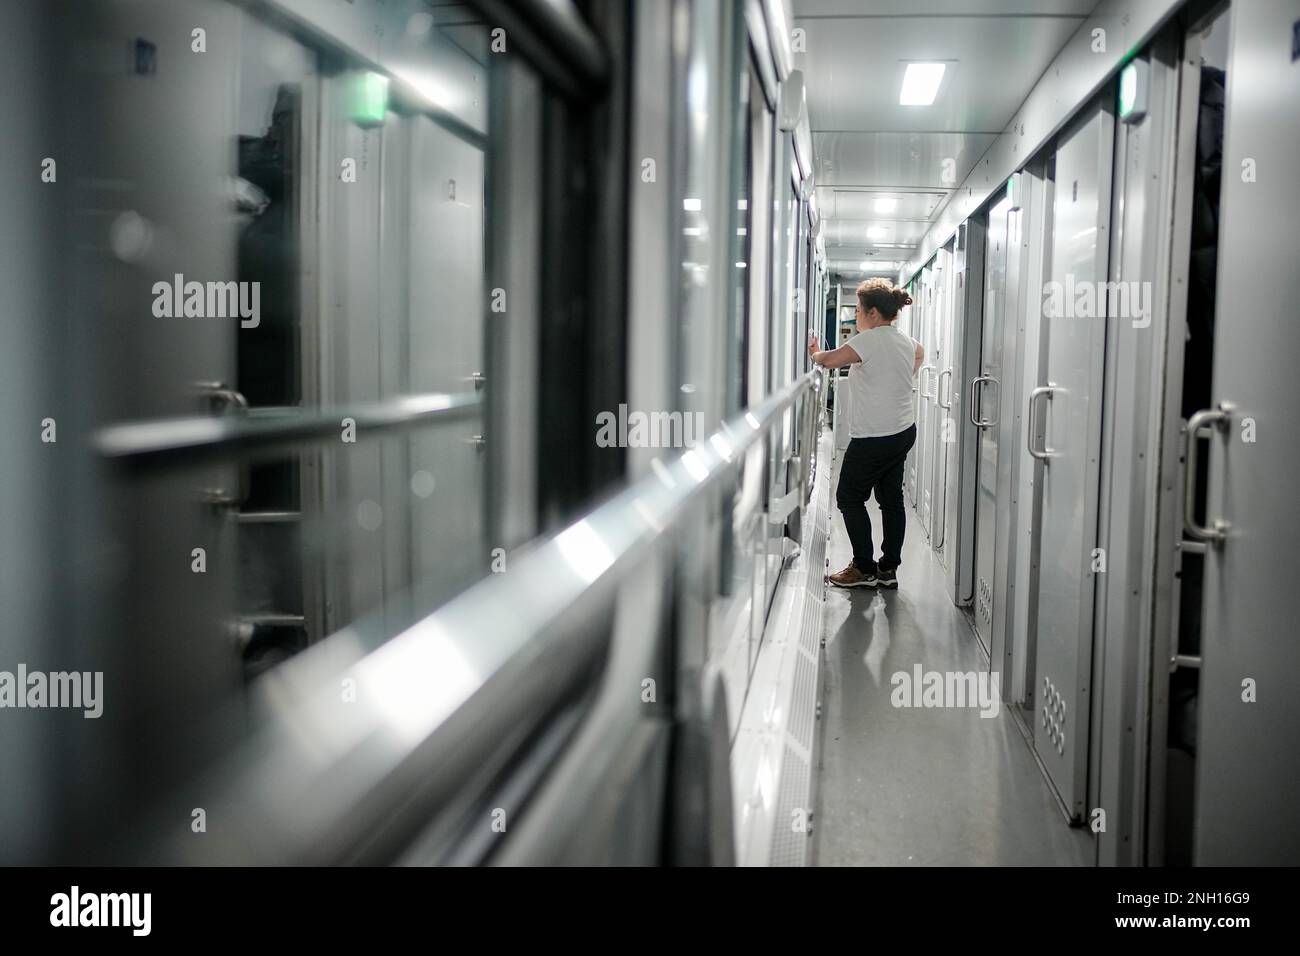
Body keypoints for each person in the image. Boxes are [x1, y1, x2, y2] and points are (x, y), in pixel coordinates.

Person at [809, 278, 922, 589]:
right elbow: (920, 354)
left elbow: (830, 361)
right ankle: (888, 569)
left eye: (858, 310)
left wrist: (815, 352)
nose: (855, 315)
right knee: (891, 499)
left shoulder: (870, 339)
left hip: (875, 436)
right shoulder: (903, 340)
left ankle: (863, 567)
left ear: (873, 313)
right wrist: (899, 377)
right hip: (902, 431)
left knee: (848, 497)